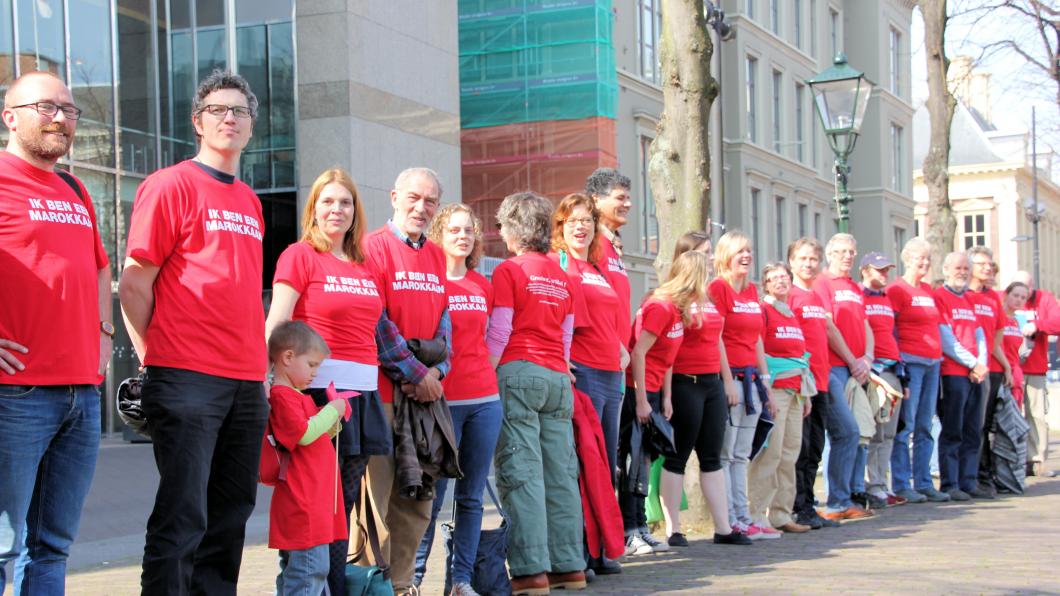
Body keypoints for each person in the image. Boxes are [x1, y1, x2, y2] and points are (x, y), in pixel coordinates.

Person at [119, 70, 268, 595]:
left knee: (230, 518)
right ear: (197, 123)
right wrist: (152, 357)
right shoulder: (170, 185)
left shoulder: (250, 201)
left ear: (252, 126)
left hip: (247, 381)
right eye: (218, 111)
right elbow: (134, 284)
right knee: (182, 517)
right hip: (186, 376)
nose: (230, 118)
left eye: (240, 111)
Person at [0, 71, 112, 594]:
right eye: (46, 107)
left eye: (69, 110)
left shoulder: (74, 187)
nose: (61, 118)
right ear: (10, 116)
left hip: (81, 394)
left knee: (53, 547)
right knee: (4, 545)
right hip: (14, 394)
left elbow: (97, 266)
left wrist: (105, 332)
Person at [263, 168, 387, 595]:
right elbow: (278, 323)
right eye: (328, 201)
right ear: (313, 208)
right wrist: (267, 381)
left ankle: (329, 587)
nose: (338, 209)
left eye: (346, 202)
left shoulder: (367, 265)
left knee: (342, 507)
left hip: (362, 397)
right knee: (314, 508)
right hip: (315, 397)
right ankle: (306, 587)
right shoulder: (299, 255)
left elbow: (378, 333)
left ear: (357, 210)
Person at [359, 167, 451, 596]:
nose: (421, 207)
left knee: (418, 496)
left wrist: (436, 374)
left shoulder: (436, 255)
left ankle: (402, 584)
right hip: (383, 395)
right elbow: (376, 323)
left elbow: (444, 324)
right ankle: (373, 586)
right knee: (378, 499)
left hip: (424, 399)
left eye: (430, 201)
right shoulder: (371, 248)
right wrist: (417, 375)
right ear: (394, 196)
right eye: (414, 198)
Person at [487, 191, 584, 595]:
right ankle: (569, 567)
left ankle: (530, 572)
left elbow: (501, 330)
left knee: (522, 472)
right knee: (560, 473)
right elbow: (565, 339)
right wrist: (560, 370)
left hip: (518, 371)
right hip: (557, 378)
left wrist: (484, 374)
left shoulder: (509, 271)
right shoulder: (565, 278)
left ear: (513, 229)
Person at [414, 204, 502, 596]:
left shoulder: (483, 285)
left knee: (471, 497)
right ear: (439, 235)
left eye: (469, 230)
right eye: (454, 230)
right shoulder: (429, 283)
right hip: (441, 402)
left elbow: (491, 341)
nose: (463, 236)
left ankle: (461, 580)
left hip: (485, 400)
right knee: (430, 498)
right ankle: (413, 579)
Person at [548, 193, 627, 574]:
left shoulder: (596, 268)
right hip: (584, 375)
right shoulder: (559, 265)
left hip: (612, 375)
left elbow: (606, 320)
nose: (581, 226)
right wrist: (562, 362)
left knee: (606, 465)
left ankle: (601, 549)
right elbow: (555, 319)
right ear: (561, 227)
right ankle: (579, 552)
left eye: (587, 220)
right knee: (582, 465)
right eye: (573, 220)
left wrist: (621, 350)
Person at [658, 233, 751, 548]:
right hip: (687, 384)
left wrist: (727, 381)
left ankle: (723, 528)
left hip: (712, 384)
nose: (711, 259)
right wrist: (667, 394)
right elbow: (667, 351)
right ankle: (674, 528)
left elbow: (718, 340)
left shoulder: (708, 297)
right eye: (706, 253)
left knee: (713, 457)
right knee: (678, 456)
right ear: (688, 257)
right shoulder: (674, 300)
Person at [265, 321, 348, 596]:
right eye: (311, 365)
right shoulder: (283, 396)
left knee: (302, 571)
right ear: (287, 357)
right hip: (303, 503)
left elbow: (313, 431)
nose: (315, 373)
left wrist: (332, 419)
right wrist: (332, 410)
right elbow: (303, 433)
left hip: (310, 501)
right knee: (309, 572)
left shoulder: (295, 396)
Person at [708, 231, 775, 540]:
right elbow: (716, 337)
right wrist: (726, 380)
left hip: (752, 381)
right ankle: (729, 518)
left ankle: (744, 517)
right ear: (725, 256)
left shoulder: (751, 291)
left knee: (742, 454)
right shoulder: (718, 288)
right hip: (731, 379)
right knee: (726, 453)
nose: (746, 255)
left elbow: (758, 339)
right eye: (740, 252)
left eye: (749, 250)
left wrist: (765, 382)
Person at [812, 234, 875, 521]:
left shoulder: (854, 287)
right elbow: (828, 327)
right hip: (834, 367)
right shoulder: (823, 283)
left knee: (859, 431)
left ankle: (848, 494)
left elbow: (865, 324)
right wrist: (852, 360)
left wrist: (868, 359)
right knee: (844, 431)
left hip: (857, 369)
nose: (846, 256)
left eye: (851, 251)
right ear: (829, 254)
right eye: (840, 251)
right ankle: (837, 500)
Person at [748, 262, 814, 535]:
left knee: (789, 454)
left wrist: (806, 393)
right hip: (775, 390)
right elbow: (758, 349)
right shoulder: (764, 311)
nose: (780, 282)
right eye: (774, 278)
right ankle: (755, 514)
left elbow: (800, 355)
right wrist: (765, 391)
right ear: (765, 284)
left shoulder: (791, 314)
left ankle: (781, 513)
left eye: (784, 277)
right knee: (770, 454)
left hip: (797, 390)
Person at [888, 238, 946, 503]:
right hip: (911, 362)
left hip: (933, 362)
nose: (924, 263)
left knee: (925, 425)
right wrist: (899, 364)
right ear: (906, 259)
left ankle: (923, 481)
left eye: (927, 259)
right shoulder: (897, 290)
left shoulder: (927, 290)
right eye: (919, 258)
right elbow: (892, 328)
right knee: (905, 424)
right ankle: (901, 483)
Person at [787, 238, 839, 530]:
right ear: (792, 261)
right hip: (801, 383)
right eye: (802, 258)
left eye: (813, 259)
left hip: (822, 380)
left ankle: (808, 504)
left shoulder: (817, 298)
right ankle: (797, 506)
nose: (808, 264)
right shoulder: (791, 296)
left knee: (816, 446)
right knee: (801, 446)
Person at [933, 252, 989, 501]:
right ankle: (950, 483)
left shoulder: (967, 299)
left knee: (973, 431)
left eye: (966, 268)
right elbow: (946, 339)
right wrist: (973, 363)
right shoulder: (940, 297)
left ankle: (969, 480)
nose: (963, 272)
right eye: (958, 267)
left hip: (976, 374)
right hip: (953, 373)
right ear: (946, 269)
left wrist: (982, 365)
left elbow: (979, 335)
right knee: (953, 430)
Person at [858, 252, 907, 509]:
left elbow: (893, 333)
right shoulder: (858, 295)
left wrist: (903, 374)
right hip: (874, 370)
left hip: (893, 367)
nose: (884, 275)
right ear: (865, 270)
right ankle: (871, 484)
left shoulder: (887, 298)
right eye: (879, 270)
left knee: (889, 433)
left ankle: (881, 483)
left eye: (887, 270)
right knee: (874, 431)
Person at [966, 246, 1008, 498]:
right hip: (965, 369)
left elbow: (998, 332)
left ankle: (984, 474)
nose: (987, 268)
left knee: (984, 424)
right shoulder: (963, 296)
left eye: (989, 264)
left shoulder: (993, 297)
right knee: (968, 425)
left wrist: (1001, 364)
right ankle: (970, 474)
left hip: (989, 368)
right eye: (981, 264)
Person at [1011, 270, 1060, 477]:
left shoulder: (1045, 300)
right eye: (1019, 290)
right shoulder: (1004, 300)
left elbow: (1057, 322)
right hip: (1012, 368)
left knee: (1037, 415)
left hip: (1036, 367)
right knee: (1011, 415)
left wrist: (1037, 325)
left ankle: (1036, 460)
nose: (1023, 295)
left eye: (1027, 290)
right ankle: (1011, 461)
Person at [586, 168, 634, 366]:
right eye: (620, 198)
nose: (628, 204)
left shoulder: (613, 245)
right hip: (595, 360)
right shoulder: (587, 242)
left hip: (616, 360)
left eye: (628, 198)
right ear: (596, 200)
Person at [1000, 282, 1030, 410]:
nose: (1019, 300)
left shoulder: (1019, 321)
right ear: (1006, 295)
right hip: (998, 371)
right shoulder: (998, 316)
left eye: (1023, 298)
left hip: (1015, 373)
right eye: (1016, 295)